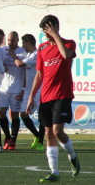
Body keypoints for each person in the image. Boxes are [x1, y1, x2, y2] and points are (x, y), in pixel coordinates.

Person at [27, 15, 80, 183]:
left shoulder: (69, 43)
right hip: (45, 97)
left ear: (56, 27)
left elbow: (65, 55)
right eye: (44, 31)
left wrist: (56, 35)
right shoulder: (42, 48)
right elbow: (39, 74)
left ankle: (72, 156)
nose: (46, 35)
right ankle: (54, 172)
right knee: (49, 133)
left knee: (58, 131)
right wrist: (31, 96)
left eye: (48, 30)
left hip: (62, 95)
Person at [9, 34, 45, 151]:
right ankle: (38, 135)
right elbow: (25, 75)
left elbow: (19, 64)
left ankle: (40, 141)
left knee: (42, 118)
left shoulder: (36, 55)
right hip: (28, 91)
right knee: (23, 114)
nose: (22, 45)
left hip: (38, 90)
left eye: (24, 43)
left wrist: (13, 55)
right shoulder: (29, 55)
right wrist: (23, 91)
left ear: (28, 42)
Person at [0, 31, 26, 150]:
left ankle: (13, 140)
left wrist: (23, 90)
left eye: (12, 40)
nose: (10, 43)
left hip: (16, 88)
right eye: (8, 40)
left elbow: (25, 71)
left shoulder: (22, 52)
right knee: (1, 113)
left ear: (17, 40)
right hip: (4, 88)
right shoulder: (3, 50)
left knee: (14, 114)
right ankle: (7, 137)